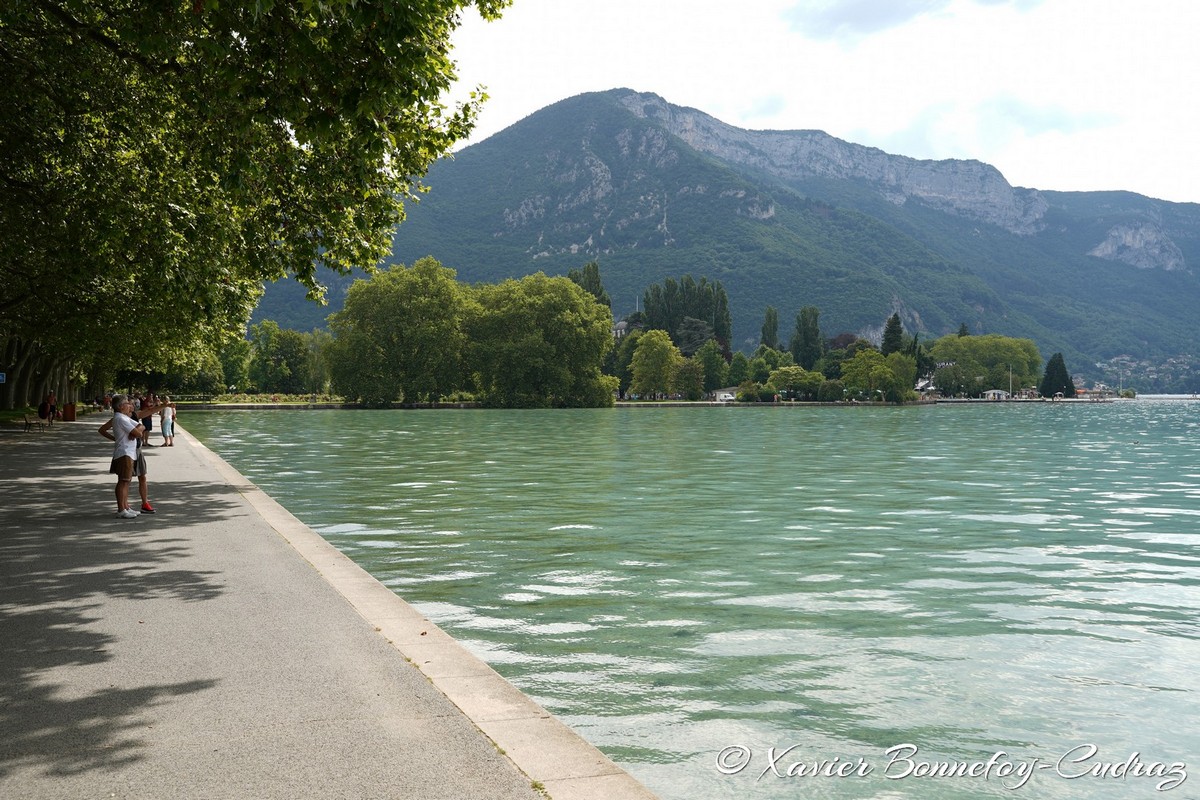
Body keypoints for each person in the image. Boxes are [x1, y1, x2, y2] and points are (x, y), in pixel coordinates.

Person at [99, 394, 144, 519]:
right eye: (127, 403)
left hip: (128, 452)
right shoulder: (121, 419)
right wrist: (136, 432)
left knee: (126, 481)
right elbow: (138, 432)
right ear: (120, 406)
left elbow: (140, 427)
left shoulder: (123, 417)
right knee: (123, 481)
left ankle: (125, 506)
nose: (130, 405)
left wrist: (137, 431)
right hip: (125, 453)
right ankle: (121, 509)